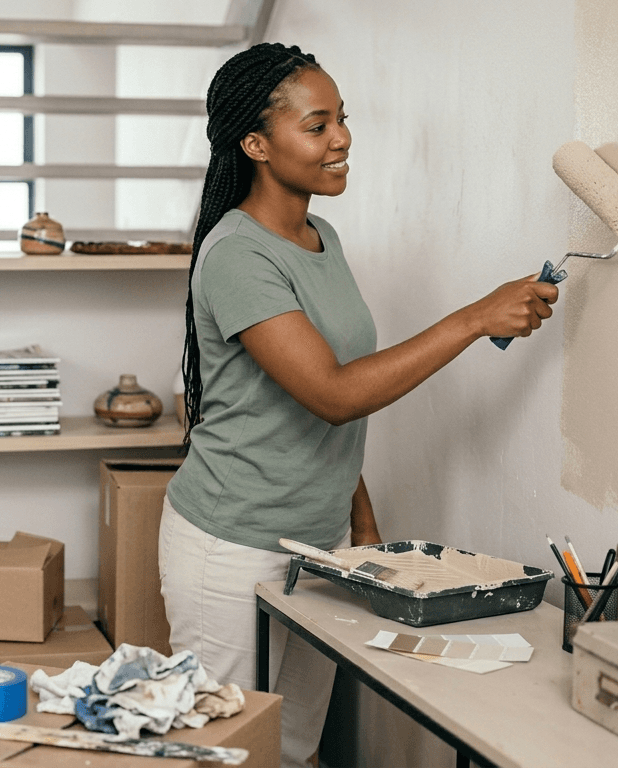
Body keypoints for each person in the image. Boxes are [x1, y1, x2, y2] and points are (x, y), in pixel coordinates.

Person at [157, 43, 559, 767]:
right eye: (317, 125)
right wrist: (473, 319)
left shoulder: (320, 237)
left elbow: (326, 398)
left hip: (318, 545)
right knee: (223, 756)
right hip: (230, 547)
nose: (342, 138)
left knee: (294, 748)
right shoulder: (238, 255)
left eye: (342, 119)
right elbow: (334, 395)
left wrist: (360, 534)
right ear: (256, 144)